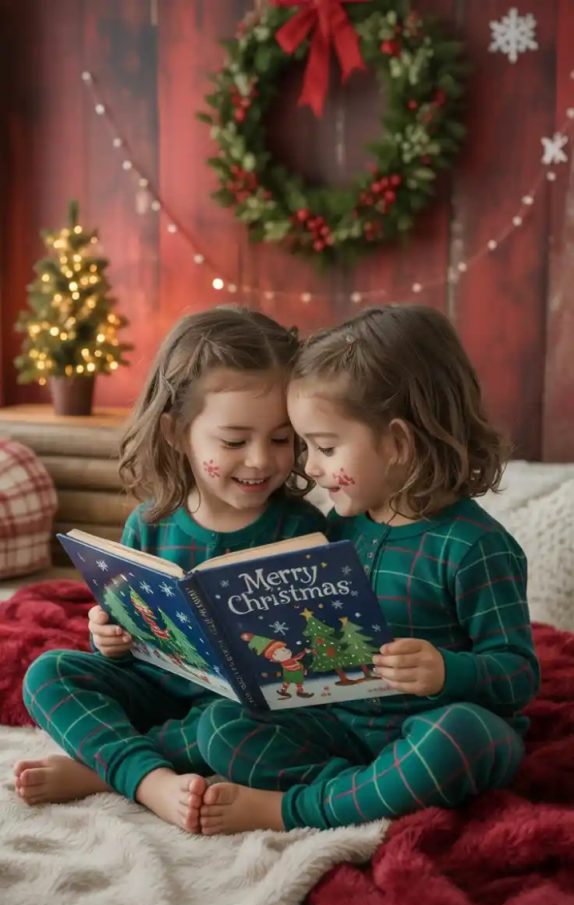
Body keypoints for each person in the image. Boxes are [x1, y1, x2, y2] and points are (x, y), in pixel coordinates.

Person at [196, 304, 540, 834]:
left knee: (459, 738)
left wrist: (448, 671)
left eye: (326, 448)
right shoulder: (339, 529)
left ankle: (296, 808)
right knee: (220, 727)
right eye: (307, 446)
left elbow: (519, 673)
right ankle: (360, 790)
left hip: (433, 727)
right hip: (344, 725)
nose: (310, 467)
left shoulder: (475, 547)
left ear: (399, 444)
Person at [14, 306, 325, 831]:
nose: (260, 460)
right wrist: (107, 636)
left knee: (235, 730)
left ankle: (109, 768)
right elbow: (125, 640)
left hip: (243, 713)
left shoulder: (304, 530)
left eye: (280, 438)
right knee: (46, 674)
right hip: (157, 691)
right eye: (233, 441)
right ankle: (149, 779)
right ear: (177, 433)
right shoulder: (151, 523)